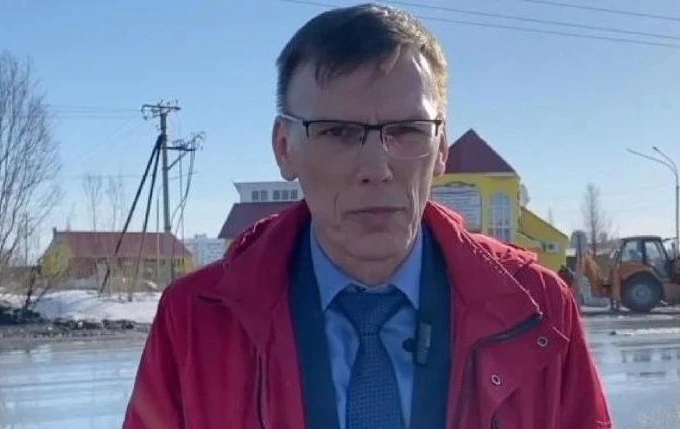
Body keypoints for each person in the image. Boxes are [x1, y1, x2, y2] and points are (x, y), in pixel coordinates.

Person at [123, 3, 613, 429]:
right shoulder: (197, 321)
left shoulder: (539, 309)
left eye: (407, 130)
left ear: (441, 149)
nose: (376, 168)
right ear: (284, 148)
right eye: (338, 132)